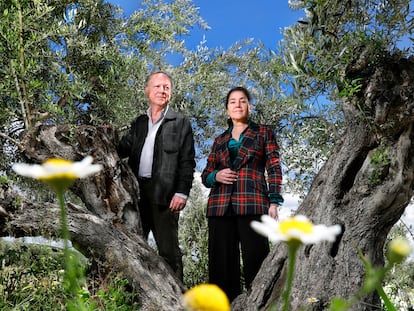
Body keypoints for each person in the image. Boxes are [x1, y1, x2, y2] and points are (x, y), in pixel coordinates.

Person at [201, 86, 284, 301]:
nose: (237, 105)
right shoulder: (219, 140)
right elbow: (206, 174)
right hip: (220, 207)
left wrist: (274, 201)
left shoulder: (264, 132)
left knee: (257, 263)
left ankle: (260, 305)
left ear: (249, 106)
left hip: (253, 203)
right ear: (227, 109)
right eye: (232, 102)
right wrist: (216, 176)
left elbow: (274, 168)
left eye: (242, 101)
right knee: (221, 266)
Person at [117, 70, 196, 281]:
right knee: (133, 247)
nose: (162, 90)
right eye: (158, 86)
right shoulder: (139, 123)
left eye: (166, 87)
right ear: (147, 91)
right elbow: (121, 149)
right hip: (136, 194)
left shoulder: (180, 122)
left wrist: (182, 192)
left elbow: (187, 162)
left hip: (166, 197)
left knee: (169, 252)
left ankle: (177, 299)